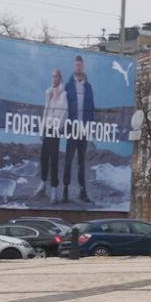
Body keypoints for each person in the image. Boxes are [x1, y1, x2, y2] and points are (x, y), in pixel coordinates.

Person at [61, 57, 96, 204]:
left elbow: (91, 107)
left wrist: (91, 126)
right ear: (74, 66)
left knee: (82, 161)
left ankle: (83, 192)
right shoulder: (68, 86)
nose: (78, 67)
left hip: (84, 128)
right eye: (76, 65)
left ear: (83, 66)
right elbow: (64, 106)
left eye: (80, 65)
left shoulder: (88, 87)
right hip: (72, 127)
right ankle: (65, 192)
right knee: (68, 160)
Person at [36, 67, 66, 201]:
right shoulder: (48, 92)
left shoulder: (63, 94)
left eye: (56, 76)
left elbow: (65, 113)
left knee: (54, 160)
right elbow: (45, 112)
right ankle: (43, 184)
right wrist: (42, 129)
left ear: (60, 78)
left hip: (55, 130)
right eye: (52, 76)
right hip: (47, 128)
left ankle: (54, 189)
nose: (54, 79)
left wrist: (58, 128)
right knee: (43, 157)